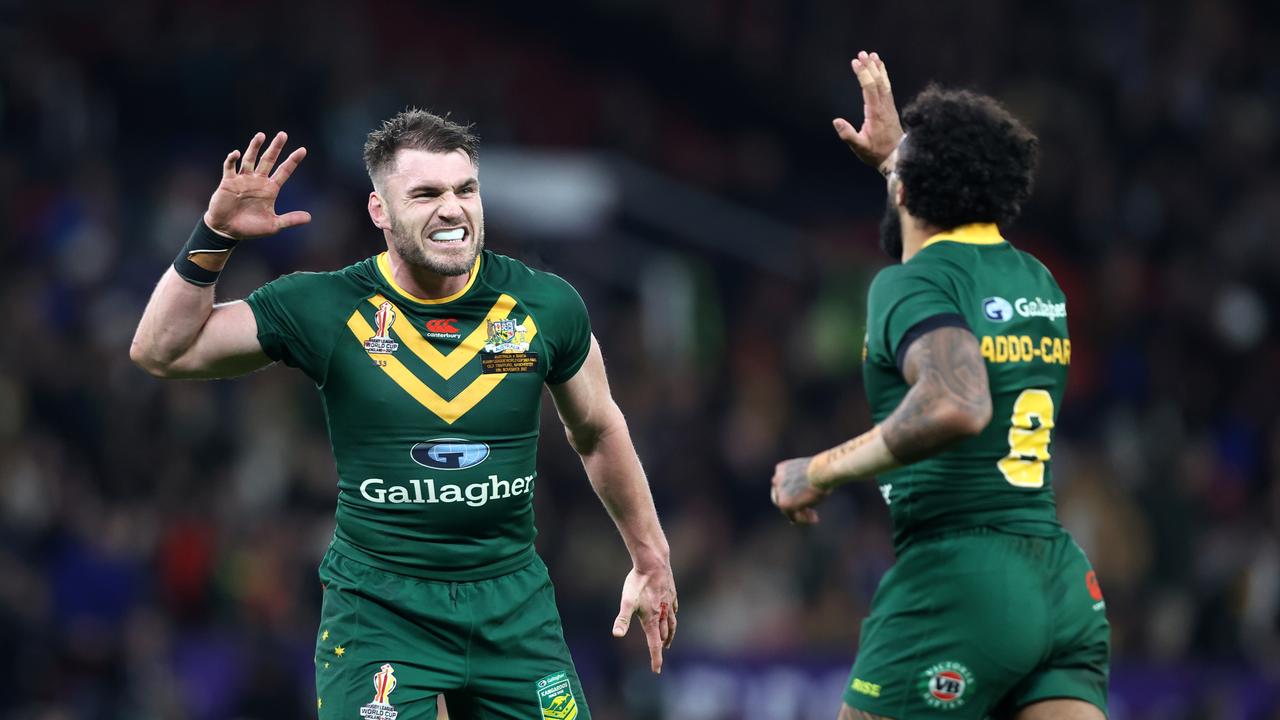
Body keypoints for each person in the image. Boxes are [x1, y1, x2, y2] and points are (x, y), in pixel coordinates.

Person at [131, 110, 676, 720]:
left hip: (512, 605)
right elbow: (162, 349)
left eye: (464, 190)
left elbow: (598, 429)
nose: (452, 210)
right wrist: (215, 231)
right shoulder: (324, 306)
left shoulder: (545, 305)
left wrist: (650, 557)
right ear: (379, 211)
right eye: (425, 194)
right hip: (379, 609)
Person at [770, 52, 1109, 719]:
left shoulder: (909, 283)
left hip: (960, 578)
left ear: (905, 192)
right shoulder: (1036, 279)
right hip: (1062, 584)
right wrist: (904, 162)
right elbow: (946, 236)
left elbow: (955, 403)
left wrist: (823, 469)